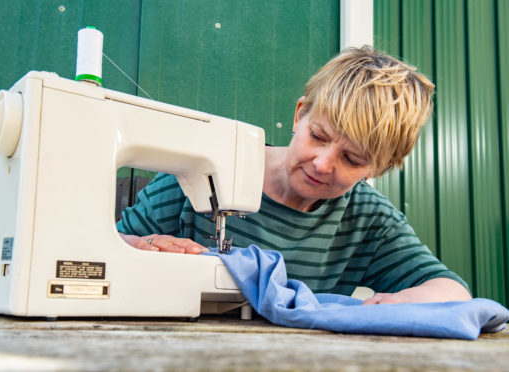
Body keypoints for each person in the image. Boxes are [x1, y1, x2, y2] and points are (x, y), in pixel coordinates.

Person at [117, 46, 471, 305]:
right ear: (300, 114)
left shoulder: (368, 220)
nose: (322, 163)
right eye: (318, 136)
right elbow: (104, 250)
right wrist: (139, 246)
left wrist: (400, 304)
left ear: (380, 167)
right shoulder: (198, 173)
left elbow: (450, 290)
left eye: (352, 158)